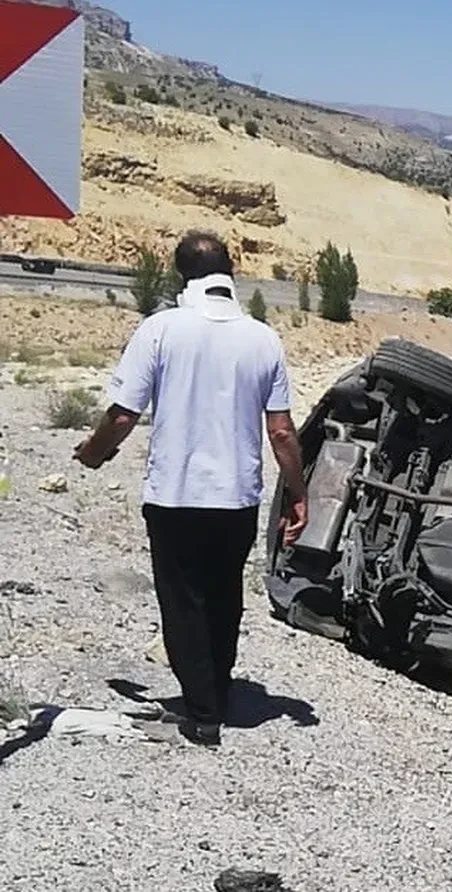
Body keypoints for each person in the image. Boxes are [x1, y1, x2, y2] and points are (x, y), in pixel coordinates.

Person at [73, 231, 309, 747]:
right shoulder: (263, 338)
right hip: (237, 496)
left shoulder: (160, 330)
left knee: (182, 601)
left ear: (181, 274)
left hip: (175, 493)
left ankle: (203, 713)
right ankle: (215, 690)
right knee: (225, 597)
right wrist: (297, 493)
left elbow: (122, 414)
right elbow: (283, 431)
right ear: (232, 270)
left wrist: (95, 453)